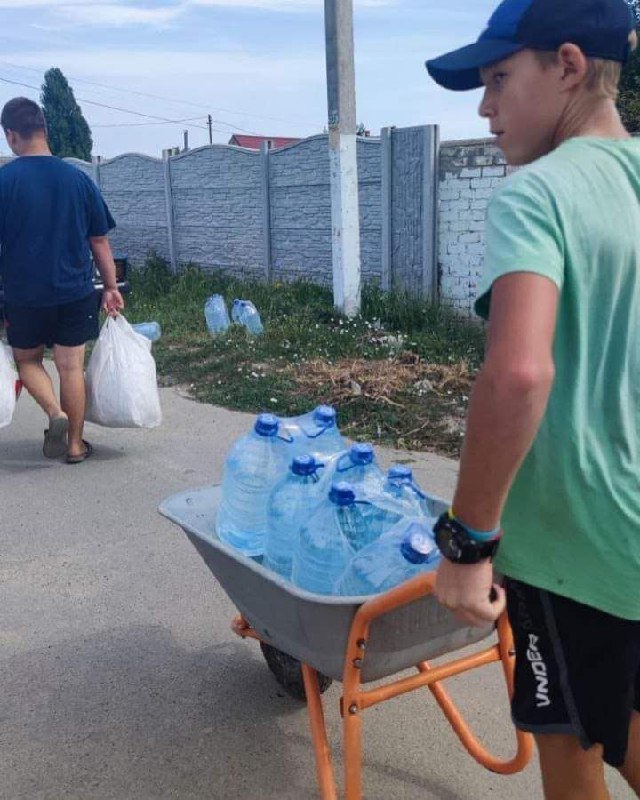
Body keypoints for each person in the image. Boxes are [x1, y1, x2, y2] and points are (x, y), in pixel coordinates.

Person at [425, 1, 640, 797]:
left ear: (570, 66)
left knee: (576, 743)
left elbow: (518, 372)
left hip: (575, 547)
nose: (484, 109)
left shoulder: (536, 195)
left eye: (498, 80)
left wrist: (468, 542)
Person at [0, 97, 124, 464]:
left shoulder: (4, 181)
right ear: (45, 130)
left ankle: (55, 412)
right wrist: (112, 287)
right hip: (74, 290)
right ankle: (74, 445)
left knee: (29, 362)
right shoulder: (78, 180)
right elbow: (99, 240)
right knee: (71, 367)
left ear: (11, 136)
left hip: (24, 294)